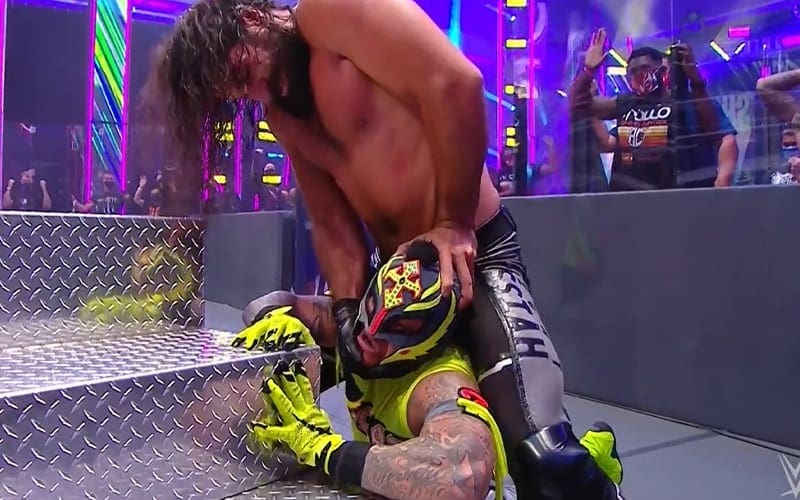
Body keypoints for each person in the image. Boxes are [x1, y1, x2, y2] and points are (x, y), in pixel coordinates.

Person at [143, 1, 623, 497]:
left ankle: (594, 463)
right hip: (402, 280)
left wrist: (452, 222)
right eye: (240, 92)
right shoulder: (284, 117)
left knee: (543, 458)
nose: (256, 92)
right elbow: (332, 223)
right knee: (249, 374)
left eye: (244, 73)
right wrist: (347, 309)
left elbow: (455, 82)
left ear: (250, 19)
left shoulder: (330, 13)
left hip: (475, 252)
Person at [237, 241, 621, 499]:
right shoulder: (356, 328)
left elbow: (461, 476)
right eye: (372, 311)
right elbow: (274, 303)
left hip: (485, 252)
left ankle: (594, 459)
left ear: (424, 342)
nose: (370, 337)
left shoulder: (439, 382)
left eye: (398, 328)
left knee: (545, 463)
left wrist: (326, 450)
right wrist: (275, 322)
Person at [571, 29, 738, 190]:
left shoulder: (688, 101)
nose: (639, 75)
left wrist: (722, 181)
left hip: (679, 198)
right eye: (632, 72)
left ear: (663, 69)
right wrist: (588, 71)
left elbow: (724, 138)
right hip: (628, 200)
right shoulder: (626, 103)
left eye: (645, 68)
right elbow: (578, 105)